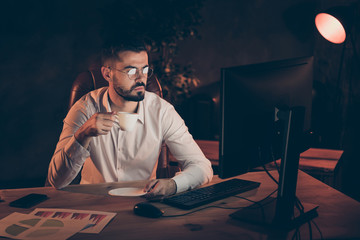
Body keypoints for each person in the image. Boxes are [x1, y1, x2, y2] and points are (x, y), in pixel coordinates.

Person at [46, 38, 213, 197]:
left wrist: (173, 184)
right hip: (93, 203)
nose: (141, 78)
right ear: (107, 74)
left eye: (145, 69)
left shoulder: (161, 111)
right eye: (131, 71)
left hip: (143, 201)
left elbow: (202, 166)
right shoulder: (84, 108)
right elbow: (56, 181)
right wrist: (82, 135)